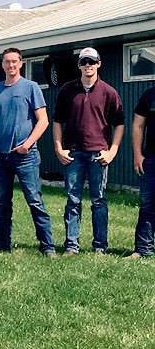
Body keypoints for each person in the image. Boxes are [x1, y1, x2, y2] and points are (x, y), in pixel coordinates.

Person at [51, 47, 125, 255]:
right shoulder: (67, 90)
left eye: (92, 62)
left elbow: (119, 124)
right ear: (79, 65)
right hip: (73, 154)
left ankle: (100, 246)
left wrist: (112, 151)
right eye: (84, 62)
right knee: (73, 199)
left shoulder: (109, 92)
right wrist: (59, 148)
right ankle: (71, 245)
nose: (88, 66)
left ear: (99, 64)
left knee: (98, 200)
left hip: (98, 154)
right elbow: (57, 121)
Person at [0, 47, 56, 256]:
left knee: (34, 200)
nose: (11, 65)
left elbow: (43, 120)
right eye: (7, 62)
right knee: (2, 203)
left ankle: (48, 246)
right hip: (1, 155)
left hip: (26, 155)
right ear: (2, 64)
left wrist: (27, 144)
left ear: (21, 64)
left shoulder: (31, 87)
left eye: (14, 62)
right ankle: (2, 246)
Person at [128, 82, 155, 260]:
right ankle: (143, 248)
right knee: (147, 204)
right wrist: (138, 155)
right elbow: (138, 125)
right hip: (151, 158)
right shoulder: (149, 95)